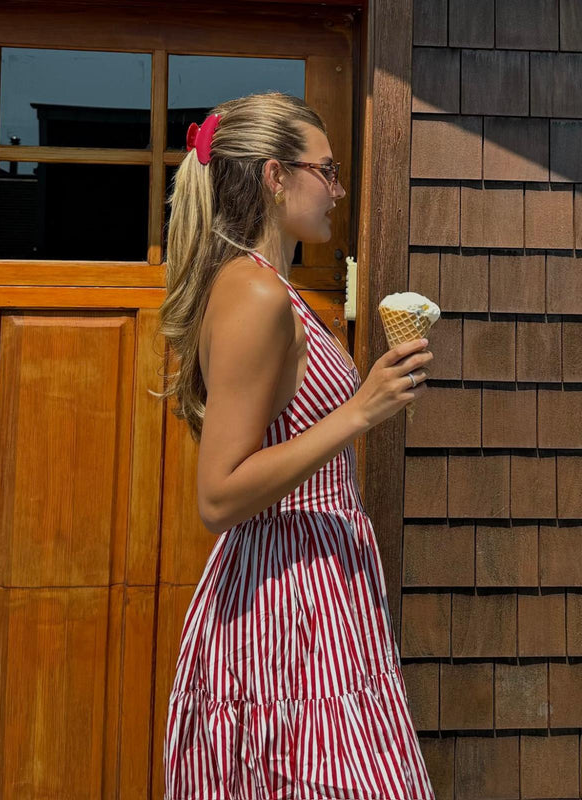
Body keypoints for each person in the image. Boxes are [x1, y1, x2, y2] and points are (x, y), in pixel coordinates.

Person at [154, 91, 435, 800]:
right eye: (328, 170)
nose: (339, 189)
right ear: (277, 177)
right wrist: (360, 411)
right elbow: (218, 495)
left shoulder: (273, 286)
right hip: (286, 599)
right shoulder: (254, 295)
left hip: (317, 592)